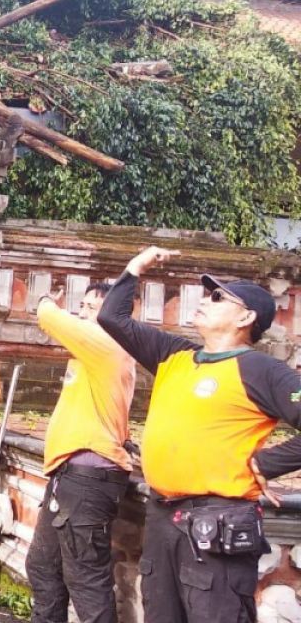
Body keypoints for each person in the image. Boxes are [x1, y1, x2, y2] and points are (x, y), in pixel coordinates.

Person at [98, 246, 301, 623]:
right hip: (163, 517)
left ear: (247, 316)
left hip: (218, 524)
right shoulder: (175, 354)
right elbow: (112, 317)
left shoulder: (261, 369)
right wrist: (135, 267)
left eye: (219, 297)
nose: (206, 301)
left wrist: (268, 462)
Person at [25, 283, 136, 623]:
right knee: (43, 565)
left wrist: (48, 299)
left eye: (93, 308)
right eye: (83, 306)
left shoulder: (107, 344)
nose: (83, 314)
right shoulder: (93, 356)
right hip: (69, 476)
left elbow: (47, 316)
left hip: (87, 479)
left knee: (86, 580)